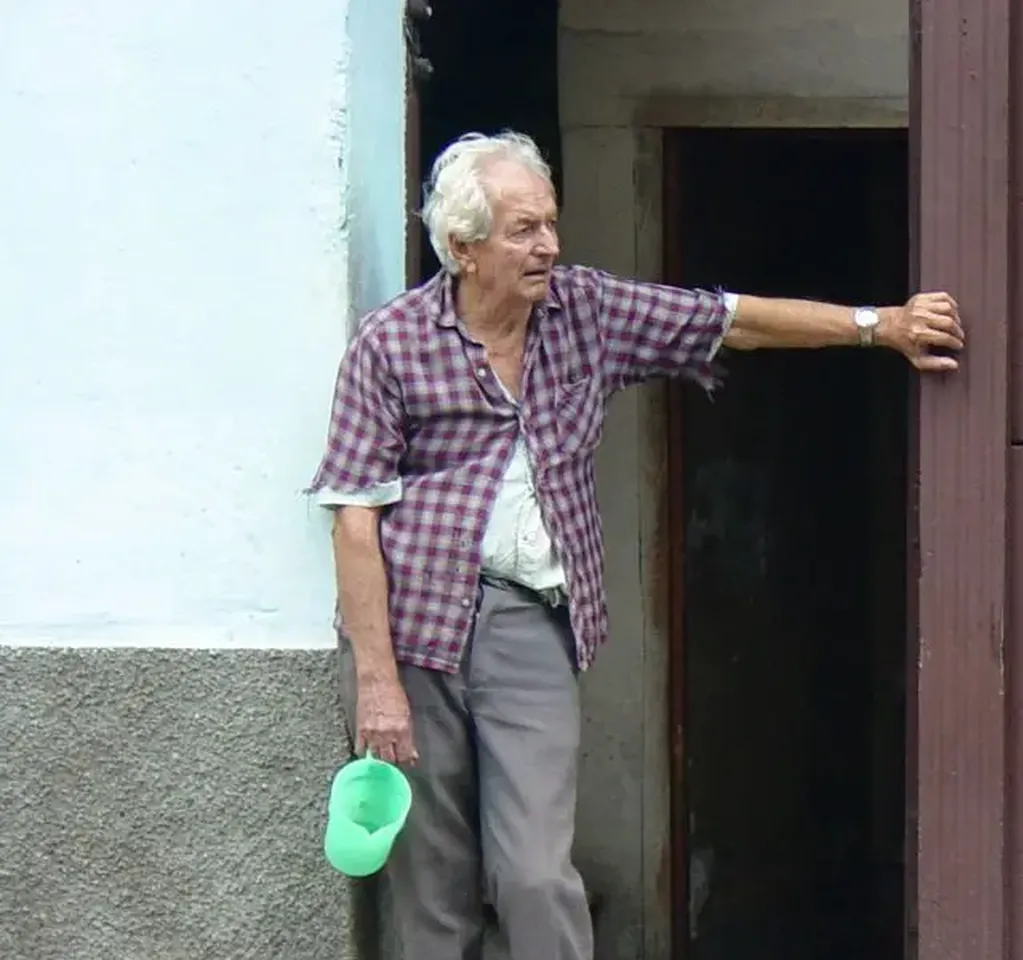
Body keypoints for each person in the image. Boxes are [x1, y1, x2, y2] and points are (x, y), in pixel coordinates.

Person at [307, 130, 963, 959]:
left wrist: (881, 325)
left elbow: (728, 321)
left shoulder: (586, 311)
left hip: (526, 624)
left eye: (549, 223)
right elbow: (354, 517)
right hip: (409, 636)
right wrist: (377, 684)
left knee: (535, 875)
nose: (548, 244)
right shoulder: (391, 343)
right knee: (432, 894)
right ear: (464, 249)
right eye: (522, 230)